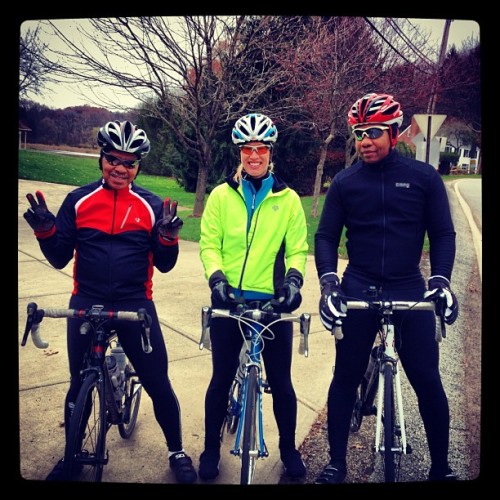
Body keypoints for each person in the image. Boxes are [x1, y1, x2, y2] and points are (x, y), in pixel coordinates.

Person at [23, 120, 197, 484]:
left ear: (138, 167)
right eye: (113, 160)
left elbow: (164, 265)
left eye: (129, 163)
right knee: (78, 382)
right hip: (87, 301)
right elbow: (58, 258)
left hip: (136, 305)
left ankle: (177, 450)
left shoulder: (151, 205)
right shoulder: (79, 200)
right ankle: (71, 452)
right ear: (101, 159)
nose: (120, 168)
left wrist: (167, 239)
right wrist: (45, 232)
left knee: (157, 382)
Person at [314, 93, 459, 484]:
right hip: (358, 286)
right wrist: (329, 283)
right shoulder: (345, 182)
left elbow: (443, 233)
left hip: (408, 286)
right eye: (359, 133)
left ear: (393, 134)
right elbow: (326, 237)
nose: (365, 140)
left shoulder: (424, 178)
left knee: (428, 379)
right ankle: (336, 463)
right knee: (344, 376)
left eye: (374, 132)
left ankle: (441, 467)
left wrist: (441, 280)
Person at [198, 113, 309, 481]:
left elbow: (297, 248)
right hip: (228, 300)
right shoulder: (220, 195)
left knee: (281, 382)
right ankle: (211, 449)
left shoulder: (288, 199)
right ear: (240, 153)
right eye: (247, 149)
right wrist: (216, 280)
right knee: (220, 377)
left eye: (260, 148)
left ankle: (289, 450)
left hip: (272, 303)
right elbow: (209, 244)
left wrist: (294, 282)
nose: (254, 155)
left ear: (270, 153)